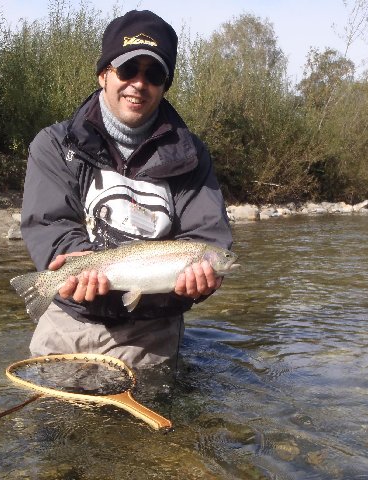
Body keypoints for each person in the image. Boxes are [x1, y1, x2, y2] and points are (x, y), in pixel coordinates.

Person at [20, 10, 232, 368]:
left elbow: (208, 233)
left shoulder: (190, 155)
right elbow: (49, 224)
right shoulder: (56, 145)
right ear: (104, 74)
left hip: (152, 334)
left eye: (154, 74)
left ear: (165, 85)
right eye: (128, 69)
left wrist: (201, 284)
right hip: (68, 324)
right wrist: (77, 264)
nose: (139, 83)